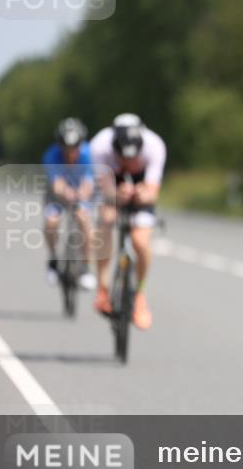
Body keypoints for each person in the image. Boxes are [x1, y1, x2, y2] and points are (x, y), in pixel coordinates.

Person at [89, 113, 166, 330]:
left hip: (141, 184)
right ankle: (102, 289)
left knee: (140, 242)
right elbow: (104, 189)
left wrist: (142, 194)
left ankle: (140, 295)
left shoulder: (155, 146)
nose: (129, 162)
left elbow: (153, 192)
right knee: (106, 219)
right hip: (111, 182)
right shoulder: (100, 146)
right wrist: (115, 195)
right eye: (124, 157)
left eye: (133, 158)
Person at [42, 118, 97, 289]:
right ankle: (53, 260)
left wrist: (81, 194)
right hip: (58, 196)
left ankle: (86, 268)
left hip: (81, 194)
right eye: (66, 148)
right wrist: (66, 192)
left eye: (74, 148)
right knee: (51, 222)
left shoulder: (89, 154)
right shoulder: (51, 155)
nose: (70, 152)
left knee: (83, 220)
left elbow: (89, 183)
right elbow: (56, 184)